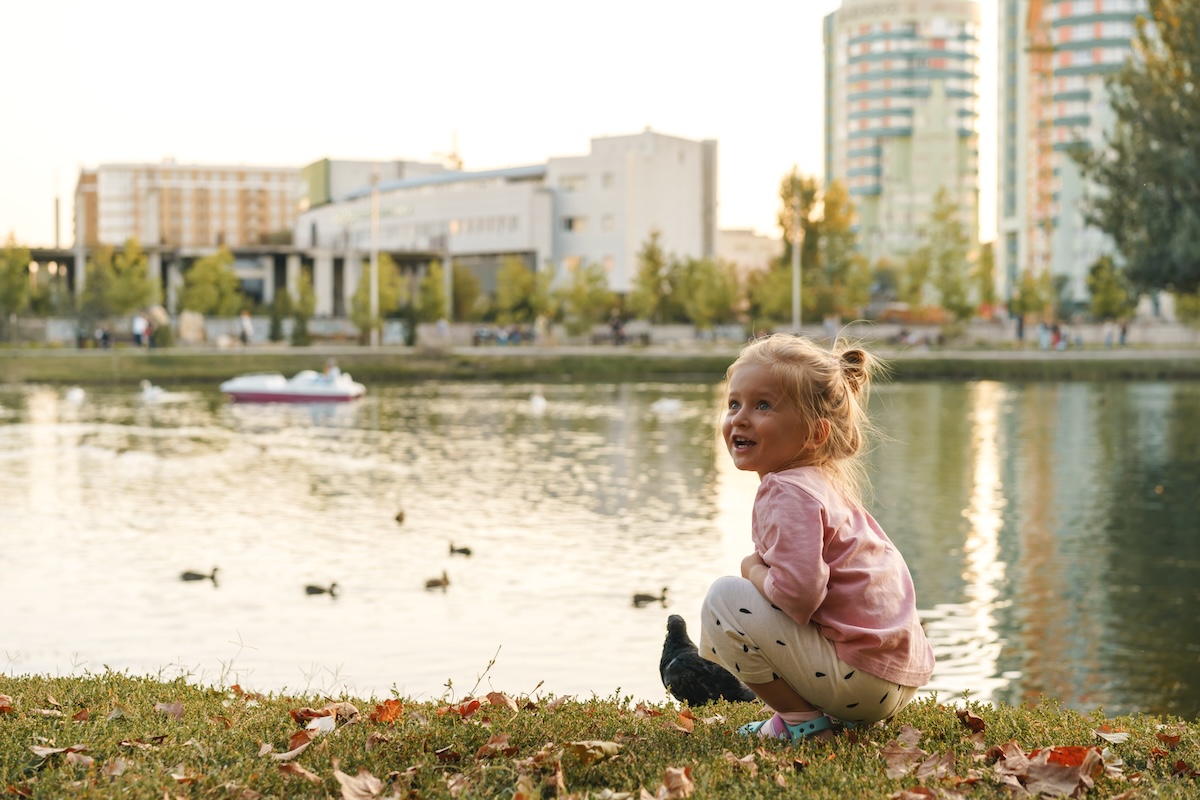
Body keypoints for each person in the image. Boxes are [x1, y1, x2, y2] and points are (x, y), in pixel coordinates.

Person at [699, 334, 934, 742]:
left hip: (861, 682)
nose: (740, 418)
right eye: (734, 403)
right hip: (894, 681)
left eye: (763, 405)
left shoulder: (787, 491)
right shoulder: (822, 484)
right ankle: (825, 712)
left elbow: (798, 595)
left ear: (815, 433)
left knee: (723, 600)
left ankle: (800, 722)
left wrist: (752, 569)